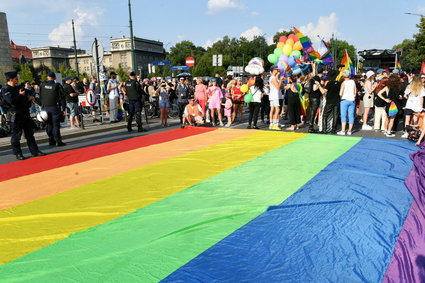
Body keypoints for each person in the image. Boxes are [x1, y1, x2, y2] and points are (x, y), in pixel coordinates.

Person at [1, 71, 45, 160]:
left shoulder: (19, 87)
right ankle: (18, 153)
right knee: (16, 135)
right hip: (15, 115)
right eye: (16, 78)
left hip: (25, 113)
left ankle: (35, 151)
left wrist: (30, 97)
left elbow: (30, 92)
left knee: (30, 133)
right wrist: (21, 96)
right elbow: (11, 101)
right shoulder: (6, 90)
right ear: (11, 79)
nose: (17, 80)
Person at [39, 72, 67, 146]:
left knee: (49, 125)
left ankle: (51, 140)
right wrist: (63, 109)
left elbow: (40, 96)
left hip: (45, 108)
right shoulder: (57, 86)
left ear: (47, 77)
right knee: (55, 126)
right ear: (54, 78)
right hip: (54, 108)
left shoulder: (42, 85)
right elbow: (62, 98)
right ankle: (58, 141)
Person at [338, 70, 356, 136]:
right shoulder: (353, 82)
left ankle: (343, 130)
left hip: (344, 100)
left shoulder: (343, 83)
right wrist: (353, 96)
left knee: (343, 116)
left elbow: (340, 93)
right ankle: (350, 130)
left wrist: (341, 96)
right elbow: (355, 91)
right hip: (352, 100)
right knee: (351, 115)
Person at [269, 66, 283, 130]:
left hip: (272, 95)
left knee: (272, 109)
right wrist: (280, 80)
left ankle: (271, 124)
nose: (277, 70)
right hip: (275, 96)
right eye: (276, 69)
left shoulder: (271, 77)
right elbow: (278, 87)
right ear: (273, 70)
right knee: (277, 109)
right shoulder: (273, 78)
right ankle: (275, 124)